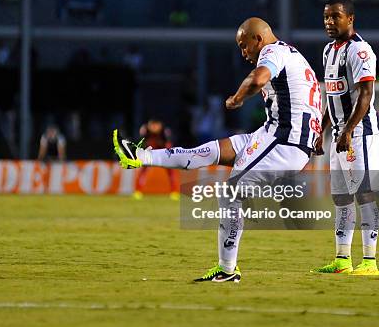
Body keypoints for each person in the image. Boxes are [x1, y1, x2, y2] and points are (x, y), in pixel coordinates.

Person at [113, 17, 322, 283]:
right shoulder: (294, 55)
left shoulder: (273, 52)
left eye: (244, 46)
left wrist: (237, 98)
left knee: (231, 193)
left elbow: (258, 79)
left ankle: (227, 270)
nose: (243, 53)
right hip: (275, 134)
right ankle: (140, 156)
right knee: (209, 151)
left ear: (258, 39)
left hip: (285, 141)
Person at [310, 0, 379, 276]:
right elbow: (333, 95)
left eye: (335, 17)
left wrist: (349, 130)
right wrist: (322, 130)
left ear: (350, 19)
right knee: (340, 196)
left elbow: (365, 95)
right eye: (326, 17)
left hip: (361, 133)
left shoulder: (360, 50)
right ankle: (342, 260)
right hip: (341, 133)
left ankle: (370, 262)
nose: (329, 22)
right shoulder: (329, 50)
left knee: (365, 194)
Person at [133, 119, 179, 201]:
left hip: (163, 152)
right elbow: (140, 143)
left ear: (160, 125)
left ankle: (174, 192)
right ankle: (138, 191)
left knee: (171, 171)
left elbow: (169, 145)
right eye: (152, 125)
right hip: (150, 151)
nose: (154, 127)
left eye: (156, 125)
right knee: (143, 170)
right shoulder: (144, 130)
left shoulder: (165, 132)